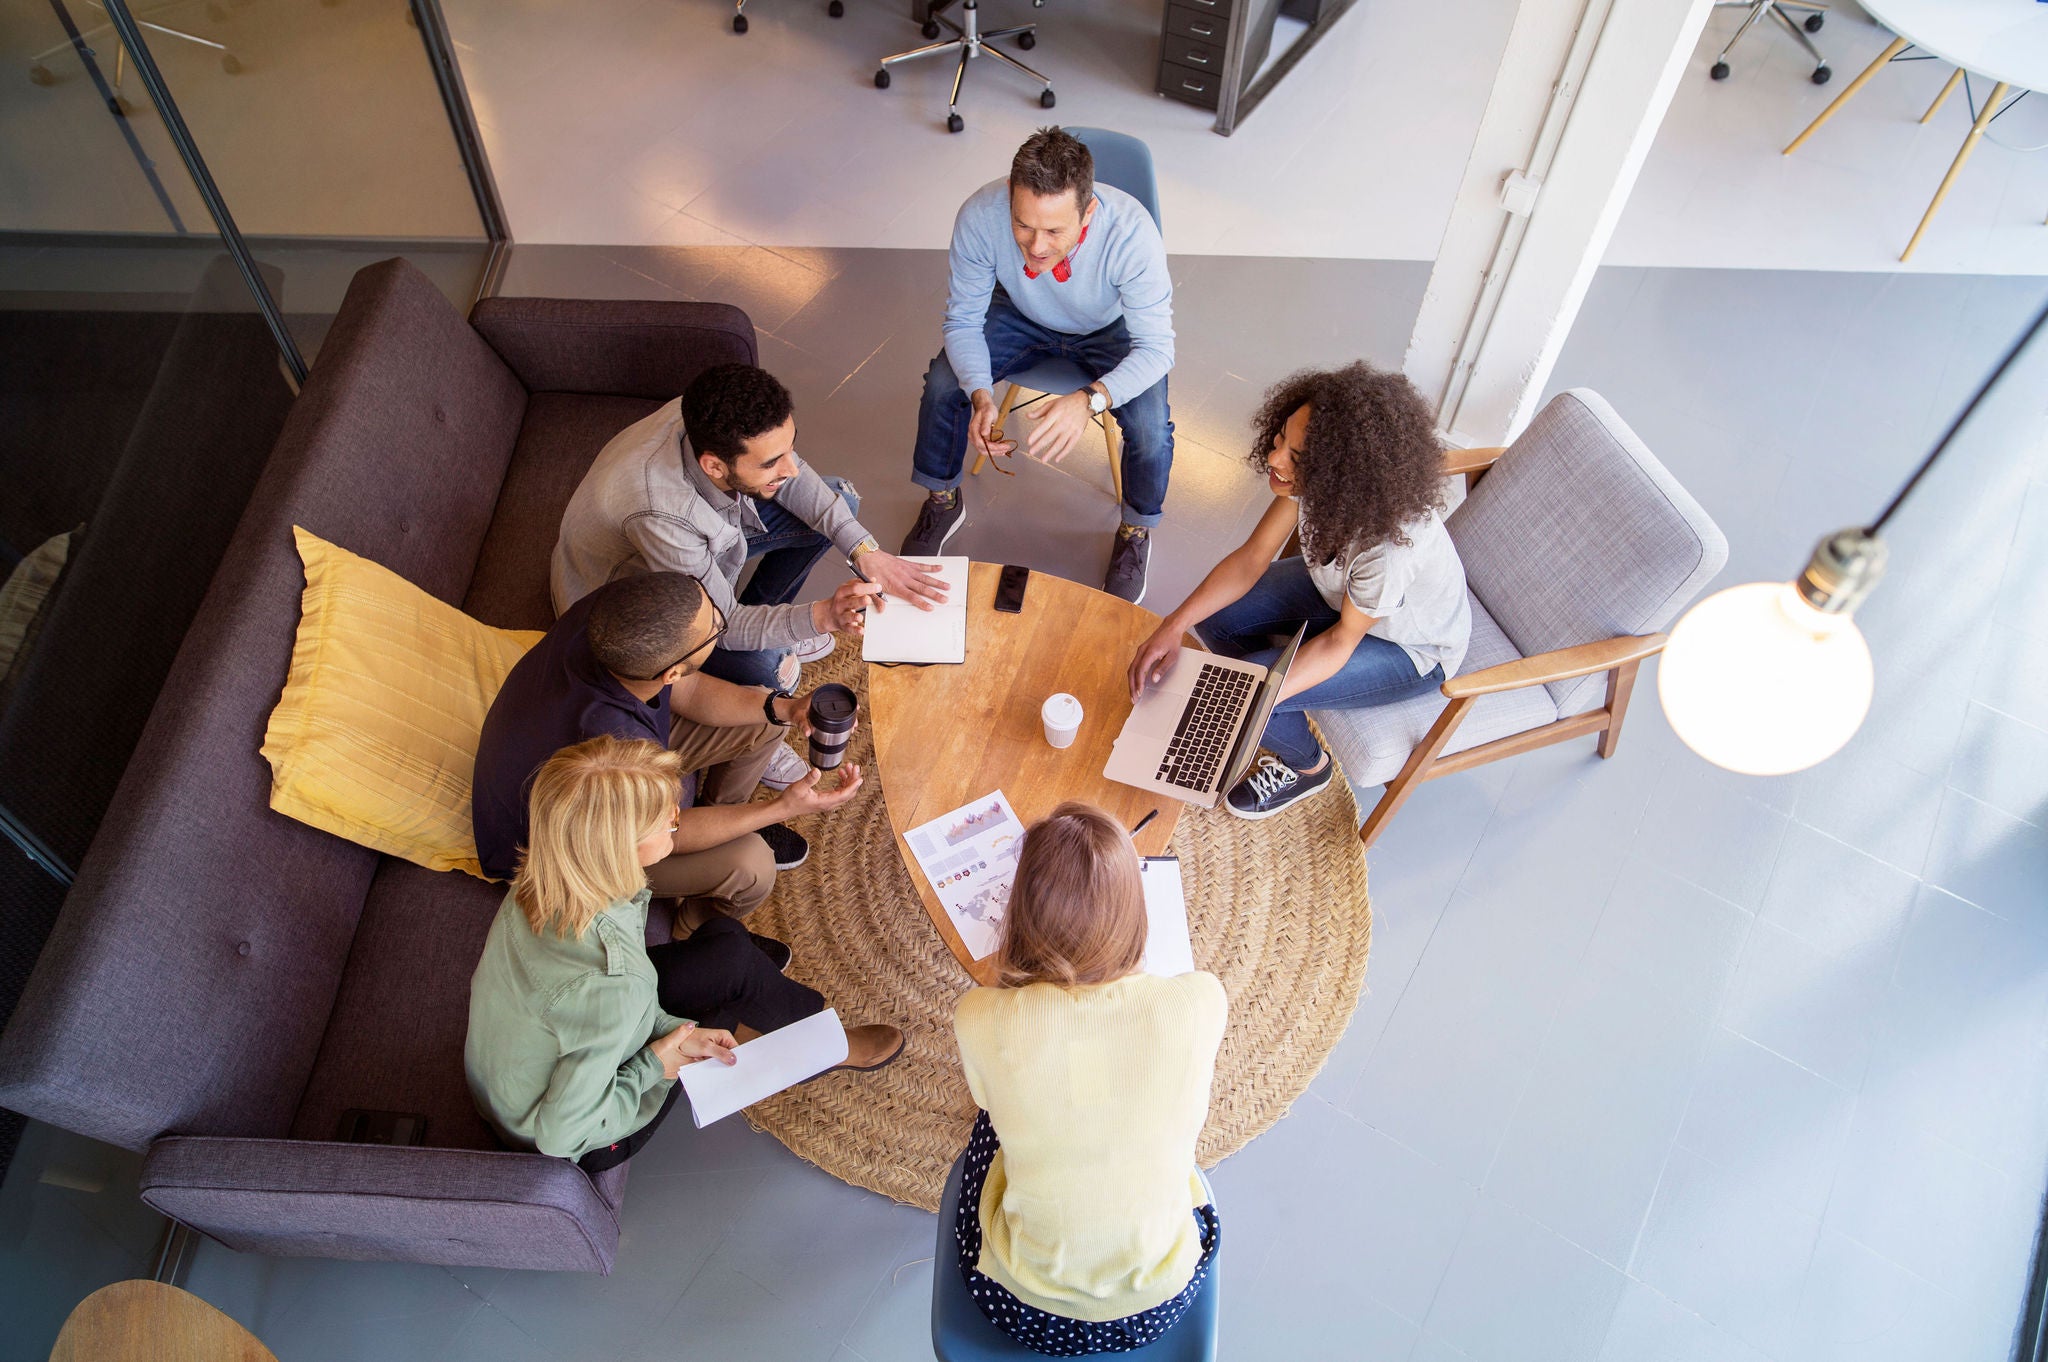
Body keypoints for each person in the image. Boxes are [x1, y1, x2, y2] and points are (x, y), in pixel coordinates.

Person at [465, 736, 904, 1174]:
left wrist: (668, 1030)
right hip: (581, 1129)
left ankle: (814, 1037)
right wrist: (655, 1064)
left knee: (729, 944)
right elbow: (559, 1136)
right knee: (725, 1002)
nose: (678, 819)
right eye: (669, 819)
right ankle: (818, 1045)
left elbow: (599, 1007)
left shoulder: (550, 870)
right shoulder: (614, 984)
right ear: (620, 848)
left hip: (523, 1072)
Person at [553, 362, 948, 789]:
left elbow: (796, 480)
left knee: (840, 504)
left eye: (790, 449)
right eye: (772, 462)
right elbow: (722, 626)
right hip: (628, 608)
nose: (791, 468)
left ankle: (773, 620)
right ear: (714, 466)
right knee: (772, 667)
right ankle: (755, 727)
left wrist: (866, 550)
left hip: (695, 544)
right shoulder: (662, 513)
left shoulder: (705, 417)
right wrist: (823, 617)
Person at [1129, 362, 1470, 820]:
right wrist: (1175, 625)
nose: (1275, 460)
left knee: (1252, 697)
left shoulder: (1387, 552)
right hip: (1342, 599)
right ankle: (1272, 702)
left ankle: (1309, 766)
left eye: (1296, 457)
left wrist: (1251, 696)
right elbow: (1252, 557)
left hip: (1409, 646)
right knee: (1216, 622)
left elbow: (1341, 641)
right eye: (1279, 441)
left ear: (1341, 477)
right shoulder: (1321, 480)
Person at [951, 802, 1225, 1355]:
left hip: (1022, 1303)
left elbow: (986, 1101)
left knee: (988, 1124)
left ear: (1020, 913)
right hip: (1164, 1298)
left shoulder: (982, 1017)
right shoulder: (1199, 1001)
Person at [473, 570, 861, 934]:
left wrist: (787, 709)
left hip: (589, 771)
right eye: (714, 629)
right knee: (752, 864)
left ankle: (726, 813)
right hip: (572, 843)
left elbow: (689, 690)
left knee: (766, 713)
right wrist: (781, 808)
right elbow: (667, 833)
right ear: (670, 672)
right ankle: (696, 931)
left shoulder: (616, 614)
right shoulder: (616, 748)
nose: (720, 620)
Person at [900, 126, 1176, 606]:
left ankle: (1135, 532)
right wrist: (980, 393)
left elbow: (1157, 349)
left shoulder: (1132, 234)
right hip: (1019, 312)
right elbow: (963, 321)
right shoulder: (980, 214)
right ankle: (942, 500)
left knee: (1151, 429)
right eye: (1024, 225)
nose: (1037, 246)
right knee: (945, 384)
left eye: (1054, 231)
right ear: (1010, 194)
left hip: (1108, 327)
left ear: (1088, 211)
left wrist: (1089, 400)